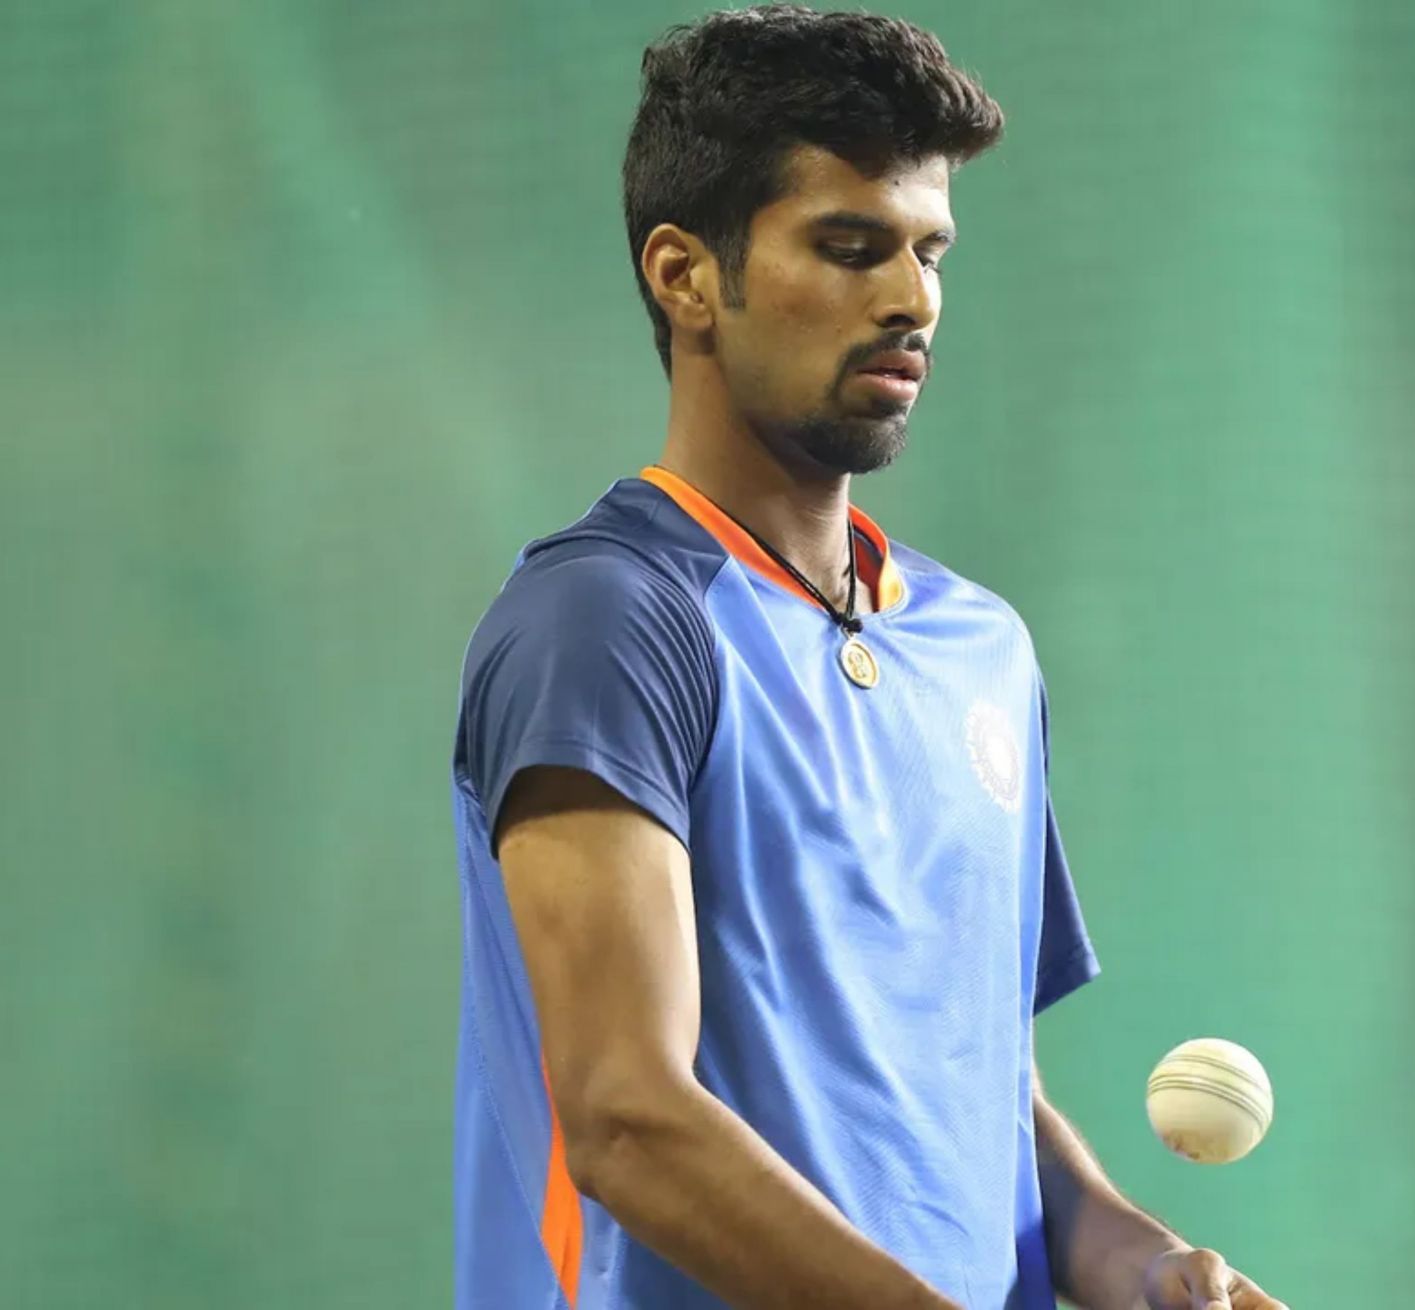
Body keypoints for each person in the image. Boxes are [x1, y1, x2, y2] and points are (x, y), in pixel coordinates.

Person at [450, 6, 1285, 1307]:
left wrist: (1141, 1258)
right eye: (849, 248)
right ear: (685, 276)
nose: (911, 299)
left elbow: (979, 1098)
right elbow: (626, 1115)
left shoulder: (980, 650)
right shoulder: (606, 623)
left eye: (928, 251)